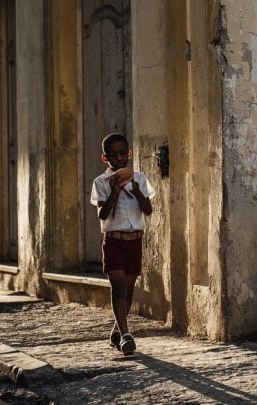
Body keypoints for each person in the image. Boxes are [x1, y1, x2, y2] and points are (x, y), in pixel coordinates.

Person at [90, 133, 155, 355]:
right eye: (112, 156)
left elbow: (148, 210)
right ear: (104, 158)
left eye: (122, 154)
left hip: (134, 241)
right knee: (117, 288)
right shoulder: (101, 182)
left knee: (128, 292)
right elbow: (103, 214)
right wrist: (114, 193)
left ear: (129, 153)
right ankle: (127, 336)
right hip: (114, 241)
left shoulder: (140, 178)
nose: (118, 159)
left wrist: (136, 190)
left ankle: (117, 331)